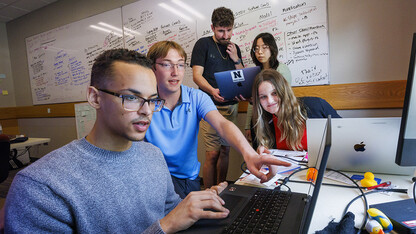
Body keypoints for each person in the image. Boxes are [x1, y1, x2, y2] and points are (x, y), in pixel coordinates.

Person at [3, 48, 231, 233]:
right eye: (132, 97)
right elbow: (168, 223)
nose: (146, 111)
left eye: (152, 100)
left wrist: (202, 203)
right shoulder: (40, 187)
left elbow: (172, 212)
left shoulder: (153, 156)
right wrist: (164, 227)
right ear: (94, 97)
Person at [146, 41, 291, 198]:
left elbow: (222, 125)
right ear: (152, 68)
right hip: (154, 180)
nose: (175, 72)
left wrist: (249, 154)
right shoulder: (142, 102)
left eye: (180, 65)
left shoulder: (196, 97)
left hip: (188, 179)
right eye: (167, 65)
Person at [191, 7, 244, 189]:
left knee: (225, 151)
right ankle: (208, 191)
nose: (225, 35)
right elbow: (197, 76)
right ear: (213, 27)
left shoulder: (234, 47)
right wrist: (212, 90)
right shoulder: (203, 45)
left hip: (231, 107)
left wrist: (236, 58)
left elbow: (242, 77)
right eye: (221, 30)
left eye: (229, 30)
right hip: (209, 106)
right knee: (212, 154)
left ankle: (222, 189)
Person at [251, 69, 340, 153]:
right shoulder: (259, 121)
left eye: (275, 93)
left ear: (284, 91)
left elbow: (344, 134)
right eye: (263, 97)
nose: (270, 101)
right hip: (287, 168)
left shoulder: (316, 106)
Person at [244, 32, 292, 144]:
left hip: (278, 120)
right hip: (258, 121)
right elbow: (252, 103)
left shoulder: (282, 70)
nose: (259, 52)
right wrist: (248, 125)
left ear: (272, 49)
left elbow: (284, 99)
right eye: (256, 48)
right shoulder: (255, 73)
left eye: (264, 47)